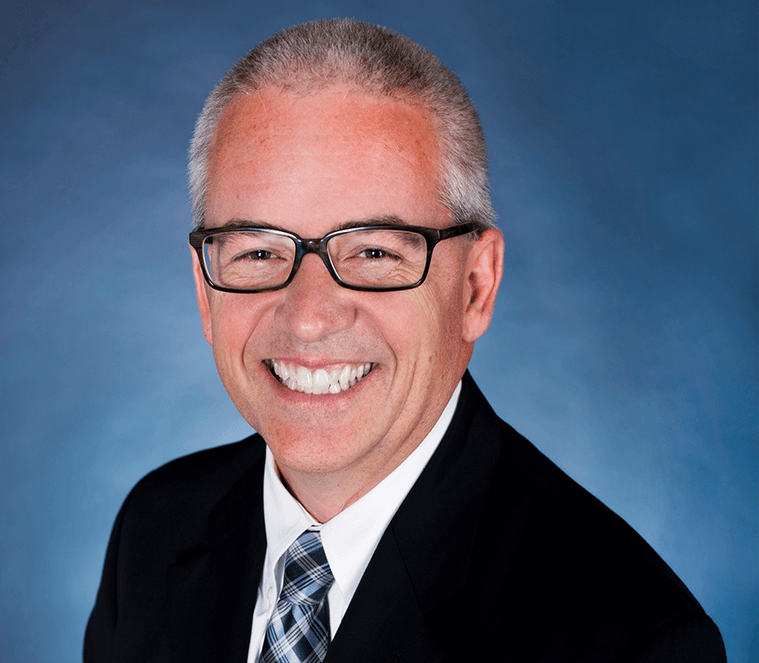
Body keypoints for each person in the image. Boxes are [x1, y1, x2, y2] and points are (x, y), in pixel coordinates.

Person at [84, 18, 726, 663]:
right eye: (258, 251)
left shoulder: (629, 640)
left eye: (372, 251)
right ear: (204, 290)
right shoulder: (155, 530)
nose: (308, 318)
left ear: (476, 287)